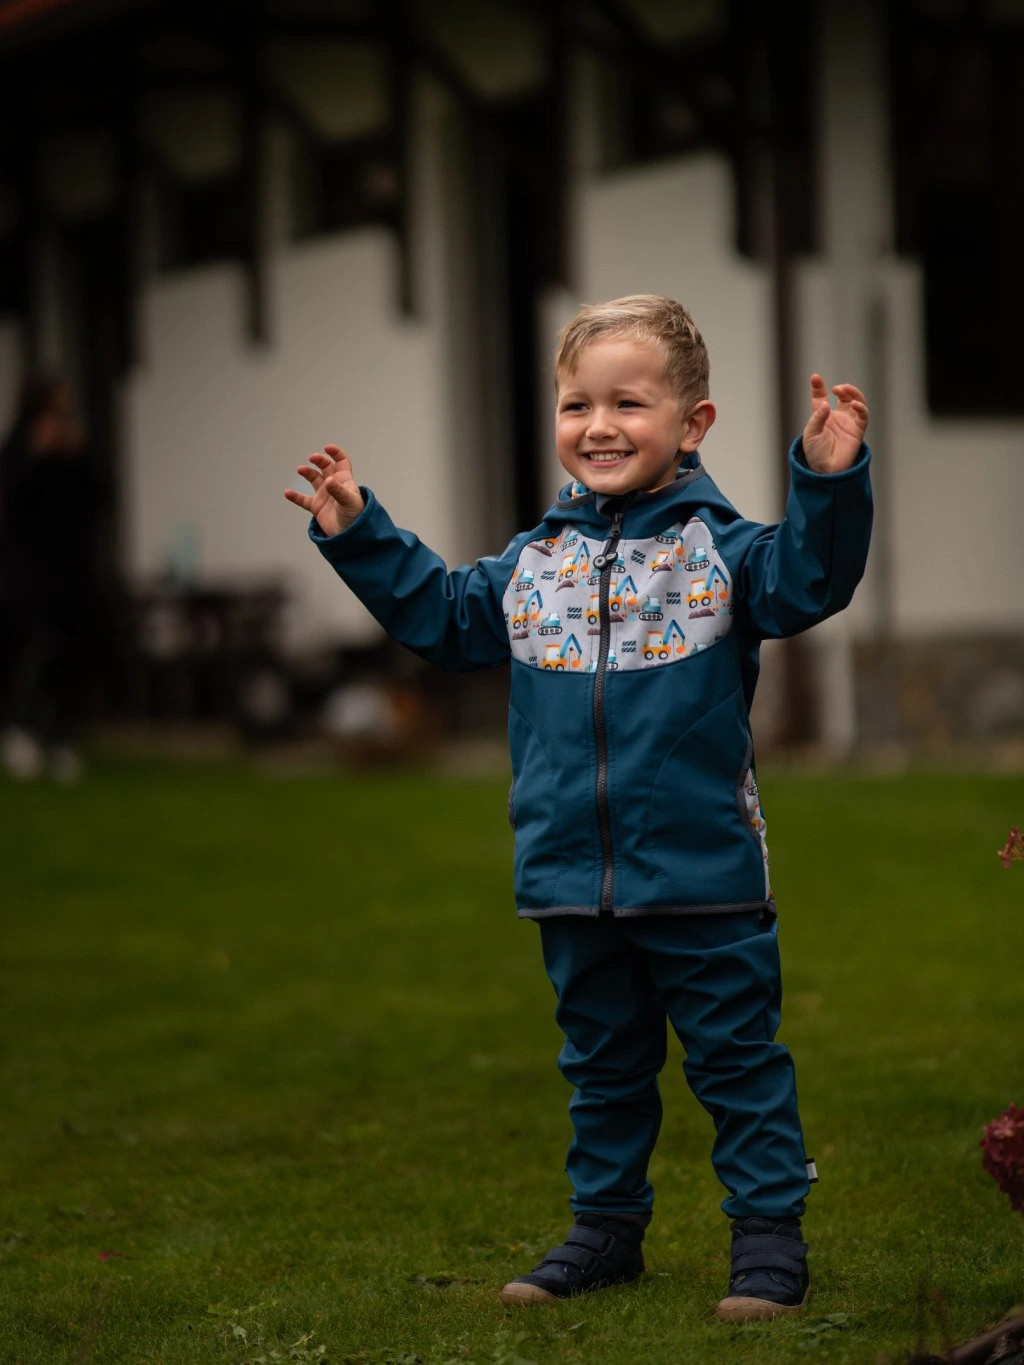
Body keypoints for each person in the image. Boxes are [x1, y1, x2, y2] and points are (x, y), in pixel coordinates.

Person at [284, 295, 872, 1321]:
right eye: (575, 405)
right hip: (567, 876)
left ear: (692, 423)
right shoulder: (533, 563)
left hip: (702, 874)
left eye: (628, 404)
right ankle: (604, 1232)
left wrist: (826, 480)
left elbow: (808, 579)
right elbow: (444, 616)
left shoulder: (723, 554)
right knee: (602, 1068)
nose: (598, 425)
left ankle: (768, 1241)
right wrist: (359, 531)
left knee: (737, 1063)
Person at [0, 373, 100, 782]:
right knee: (36, 652)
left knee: (68, 657)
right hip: (31, 575)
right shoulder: (19, 446)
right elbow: (13, 493)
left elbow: (98, 497)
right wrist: (37, 452)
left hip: (70, 573)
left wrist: (79, 454)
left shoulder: (71, 449)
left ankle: (61, 736)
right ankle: (20, 729)